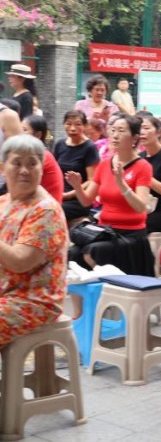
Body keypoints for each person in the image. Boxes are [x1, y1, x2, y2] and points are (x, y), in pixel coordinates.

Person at [0, 135, 69, 347]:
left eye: (32, 163)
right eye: (17, 163)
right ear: (3, 168)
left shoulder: (45, 209)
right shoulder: (4, 201)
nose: (24, 170)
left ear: (41, 168)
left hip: (31, 300)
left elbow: (20, 262)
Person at [66, 115, 155, 275]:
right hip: (105, 231)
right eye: (113, 130)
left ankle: (104, 292)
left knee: (91, 252)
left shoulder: (143, 167)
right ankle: (89, 297)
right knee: (72, 254)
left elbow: (141, 207)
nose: (115, 135)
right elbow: (86, 201)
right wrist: (78, 187)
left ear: (135, 138)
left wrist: (122, 184)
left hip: (130, 234)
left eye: (121, 131)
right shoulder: (104, 163)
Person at [53, 111, 101, 223]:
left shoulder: (89, 147)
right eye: (69, 124)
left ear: (85, 126)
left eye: (78, 124)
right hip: (58, 193)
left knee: (53, 211)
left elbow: (91, 180)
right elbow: (54, 171)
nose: (73, 128)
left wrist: (68, 195)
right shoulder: (60, 144)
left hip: (78, 199)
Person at [21, 115, 63, 203]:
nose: (20, 133)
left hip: (47, 207)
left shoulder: (43, 156)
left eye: (24, 130)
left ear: (38, 135)